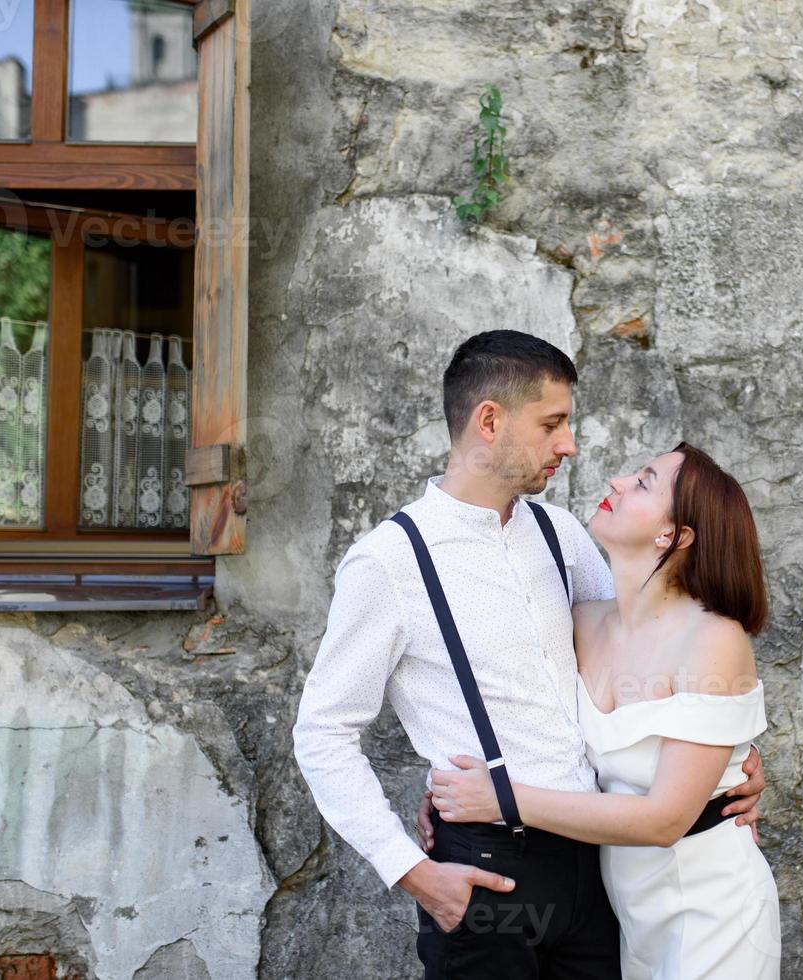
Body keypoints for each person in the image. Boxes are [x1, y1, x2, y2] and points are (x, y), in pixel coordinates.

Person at [291, 330, 765, 979]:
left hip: (599, 870)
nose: (569, 444)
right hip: (489, 874)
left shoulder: (562, 534)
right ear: (490, 421)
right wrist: (413, 872)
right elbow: (323, 732)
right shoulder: (390, 561)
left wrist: (730, 759)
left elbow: (637, 662)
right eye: (552, 424)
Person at [430, 443, 781, 979]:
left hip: (713, 906)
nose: (617, 480)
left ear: (675, 536)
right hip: (625, 909)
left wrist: (499, 798)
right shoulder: (579, 622)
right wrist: (443, 784)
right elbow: (513, 710)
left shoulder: (713, 640)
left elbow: (666, 819)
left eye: (643, 482)